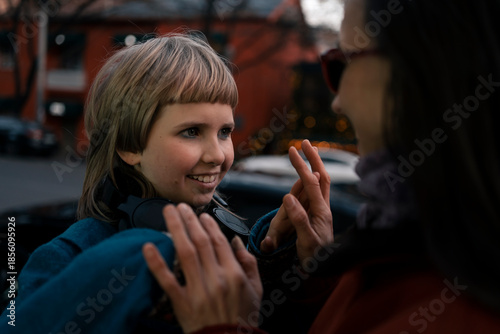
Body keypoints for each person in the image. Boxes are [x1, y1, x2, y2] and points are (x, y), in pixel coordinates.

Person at [142, 0, 500, 333]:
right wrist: (314, 276)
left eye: (342, 64)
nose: (338, 102)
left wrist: (223, 328)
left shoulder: (452, 298)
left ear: (415, 66)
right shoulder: (422, 247)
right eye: (191, 131)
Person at [0, 33, 253, 333]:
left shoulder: (222, 241)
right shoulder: (65, 257)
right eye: (192, 131)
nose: (217, 155)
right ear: (130, 146)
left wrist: (282, 258)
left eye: (225, 131)